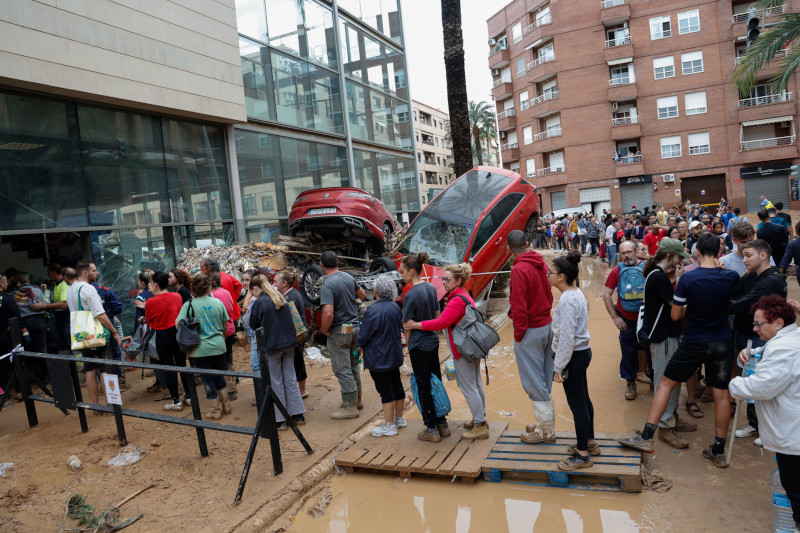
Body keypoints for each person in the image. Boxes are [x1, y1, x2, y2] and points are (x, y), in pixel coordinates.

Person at [618, 233, 740, 466]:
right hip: (722, 341)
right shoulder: (731, 276)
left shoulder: (688, 278)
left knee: (665, 383)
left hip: (694, 340)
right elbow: (734, 303)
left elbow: (675, 314)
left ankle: (646, 437)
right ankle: (718, 450)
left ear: (698, 252)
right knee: (722, 394)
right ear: (718, 252)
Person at [729, 295, 800, 532]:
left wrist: (733, 385)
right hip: (792, 432)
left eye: (759, 324)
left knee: (796, 495)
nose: (754, 328)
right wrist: (754, 354)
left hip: (793, 438)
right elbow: (771, 355)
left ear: (778, 323)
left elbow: (762, 387)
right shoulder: (791, 338)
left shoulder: (784, 349)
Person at [405, 263, 488, 440]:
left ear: (459, 280)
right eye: (443, 278)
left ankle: (480, 425)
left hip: (462, 350)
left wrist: (415, 325)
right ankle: (480, 419)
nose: (444, 282)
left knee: (468, 387)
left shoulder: (457, 300)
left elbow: (440, 323)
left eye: (447, 279)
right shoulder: (465, 296)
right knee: (476, 383)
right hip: (471, 347)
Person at [729, 239, 787, 441]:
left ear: (763, 255)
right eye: (743, 255)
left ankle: (767, 428)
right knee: (751, 380)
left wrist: (730, 304)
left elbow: (740, 304)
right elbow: (735, 294)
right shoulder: (752, 276)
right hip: (745, 334)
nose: (743, 260)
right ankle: (756, 424)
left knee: (764, 383)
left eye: (748, 255)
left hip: (761, 338)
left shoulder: (771, 280)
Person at [642, 239, 698, 449]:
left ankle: (672, 417)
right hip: (664, 336)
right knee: (666, 382)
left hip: (665, 335)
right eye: (678, 258)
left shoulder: (656, 276)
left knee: (671, 381)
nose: (679, 261)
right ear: (669, 256)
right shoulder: (659, 278)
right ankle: (665, 426)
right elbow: (676, 311)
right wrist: (682, 282)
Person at [507, 230, 556, 444]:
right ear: (527, 244)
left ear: (509, 249)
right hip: (547, 324)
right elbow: (549, 293)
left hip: (531, 330)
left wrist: (519, 335)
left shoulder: (519, 269)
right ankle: (543, 424)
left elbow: (519, 307)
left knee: (534, 382)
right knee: (544, 377)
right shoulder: (541, 263)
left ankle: (546, 432)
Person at [549, 251, 594, 471]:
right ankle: (590, 442)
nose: (548, 275)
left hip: (573, 356)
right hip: (582, 352)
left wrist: (558, 367)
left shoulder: (567, 300)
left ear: (561, 276)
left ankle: (583, 455)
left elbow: (566, 337)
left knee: (577, 405)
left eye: (551, 272)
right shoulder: (576, 293)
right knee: (584, 399)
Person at [400, 252, 447, 442]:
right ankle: (442, 422)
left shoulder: (410, 294)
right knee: (436, 381)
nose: (401, 275)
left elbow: (406, 325)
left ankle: (431, 427)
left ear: (412, 272)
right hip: (433, 341)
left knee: (423, 385)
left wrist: (408, 347)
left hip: (418, 345)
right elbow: (437, 314)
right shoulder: (430, 287)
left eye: (402, 271)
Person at [249, 274, 305, 429]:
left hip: (272, 346)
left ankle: (280, 419)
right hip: (289, 344)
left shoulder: (260, 302)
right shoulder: (280, 297)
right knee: (290, 378)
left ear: (255, 288)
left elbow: (253, 324)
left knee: (276, 381)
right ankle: (297, 414)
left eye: (252, 292)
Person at [66, 260, 123, 408]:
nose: (97, 273)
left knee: (90, 369)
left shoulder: (71, 289)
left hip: (82, 335)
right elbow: (100, 314)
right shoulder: (88, 289)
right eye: (94, 270)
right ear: (85, 273)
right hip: (96, 335)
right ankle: (111, 404)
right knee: (105, 368)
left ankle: (96, 405)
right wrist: (115, 332)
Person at [319, 250, 367, 419]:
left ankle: (349, 407)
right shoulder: (348, 277)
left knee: (342, 368)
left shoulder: (327, 284)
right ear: (338, 263)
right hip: (354, 329)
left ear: (322, 265)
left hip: (339, 331)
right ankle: (357, 400)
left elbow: (328, 313)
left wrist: (324, 329)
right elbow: (362, 295)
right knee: (353, 365)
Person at [176, 273, 230, 420]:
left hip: (199, 349)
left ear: (193, 289)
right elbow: (226, 323)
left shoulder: (189, 305)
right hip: (219, 345)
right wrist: (221, 337)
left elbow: (178, 323)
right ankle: (226, 405)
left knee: (207, 379)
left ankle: (214, 410)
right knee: (219, 375)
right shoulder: (218, 302)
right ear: (209, 288)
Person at [358, 275, 405, 437]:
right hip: (394, 354)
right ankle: (399, 419)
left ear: (376, 290)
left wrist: (359, 346)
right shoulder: (395, 307)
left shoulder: (373, 310)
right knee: (397, 386)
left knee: (386, 391)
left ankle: (389, 425)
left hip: (379, 357)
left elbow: (364, 335)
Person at [603, 241, 649, 400]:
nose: (627, 255)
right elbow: (606, 294)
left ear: (636, 251)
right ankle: (631, 382)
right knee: (628, 352)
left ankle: (655, 380)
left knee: (650, 349)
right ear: (620, 255)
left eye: (629, 252)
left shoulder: (647, 267)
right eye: (623, 253)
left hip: (646, 319)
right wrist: (615, 317)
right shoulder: (616, 270)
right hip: (626, 320)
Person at [145, 271, 190, 411]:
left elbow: (148, 320)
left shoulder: (151, 301)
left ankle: (176, 401)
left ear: (156, 285)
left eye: (151, 283)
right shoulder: (176, 296)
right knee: (182, 365)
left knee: (169, 369)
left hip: (162, 335)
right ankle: (188, 396)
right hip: (177, 334)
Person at [274, 270, 308, 400]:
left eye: (276, 282)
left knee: (297, 362)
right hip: (298, 334)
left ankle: (302, 390)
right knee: (297, 361)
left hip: (297, 335)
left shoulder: (290, 297)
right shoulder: (290, 293)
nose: (274, 284)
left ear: (284, 283)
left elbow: (294, 321)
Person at [210, 272, 238, 400]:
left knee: (222, 361)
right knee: (228, 358)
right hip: (231, 329)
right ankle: (233, 385)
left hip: (221, 331)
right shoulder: (226, 292)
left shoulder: (212, 296)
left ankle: (230, 391)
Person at [200, 258, 242, 322]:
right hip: (232, 312)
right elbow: (238, 285)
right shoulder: (224, 274)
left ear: (209, 269)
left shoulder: (218, 282)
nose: (200, 269)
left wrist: (233, 299)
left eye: (202, 267)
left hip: (226, 317)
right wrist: (233, 299)